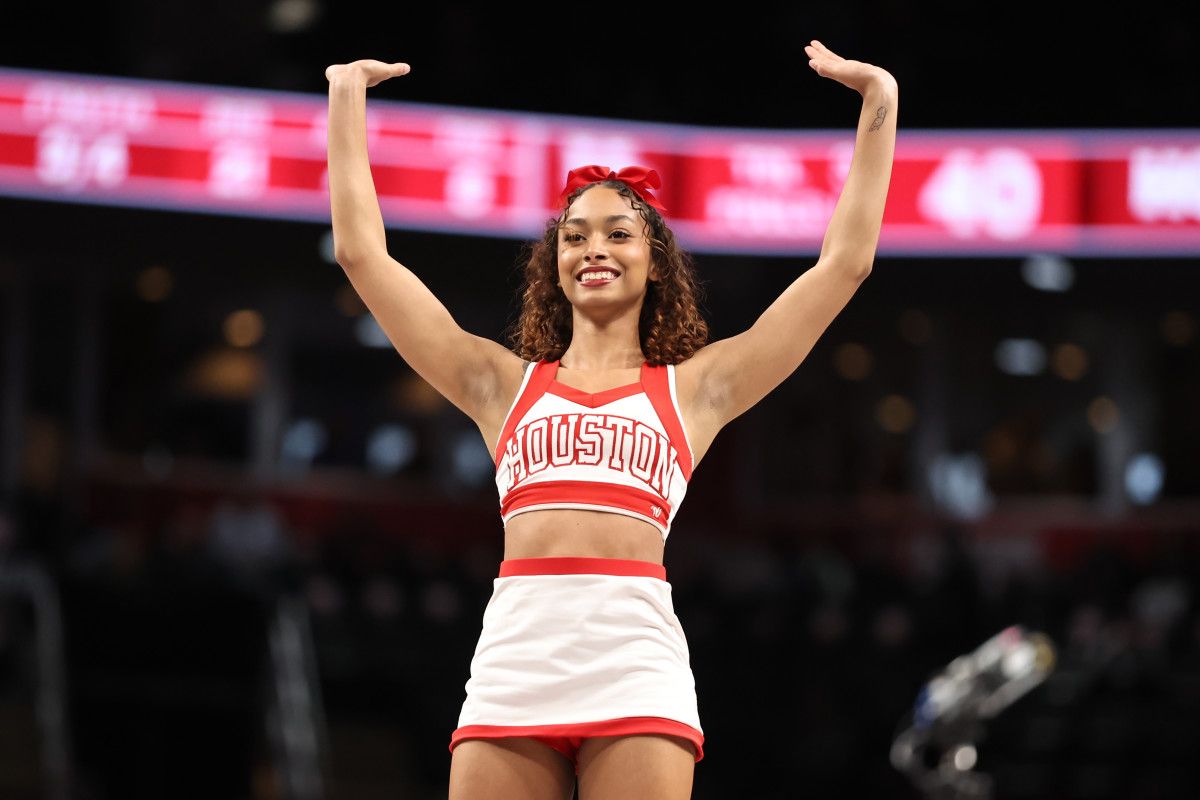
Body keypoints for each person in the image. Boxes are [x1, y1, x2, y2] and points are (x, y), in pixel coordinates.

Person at [325, 38, 898, 800]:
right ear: (555, 266)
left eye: (618, 233)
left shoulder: (696, 391)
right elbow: (363, 257)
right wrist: (345, 99)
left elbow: (844, 264)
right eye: (575, 236)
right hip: (516, 663)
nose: (594, 248)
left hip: (635, 668)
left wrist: (880, 101)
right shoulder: (499, 385)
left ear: (655, 262)